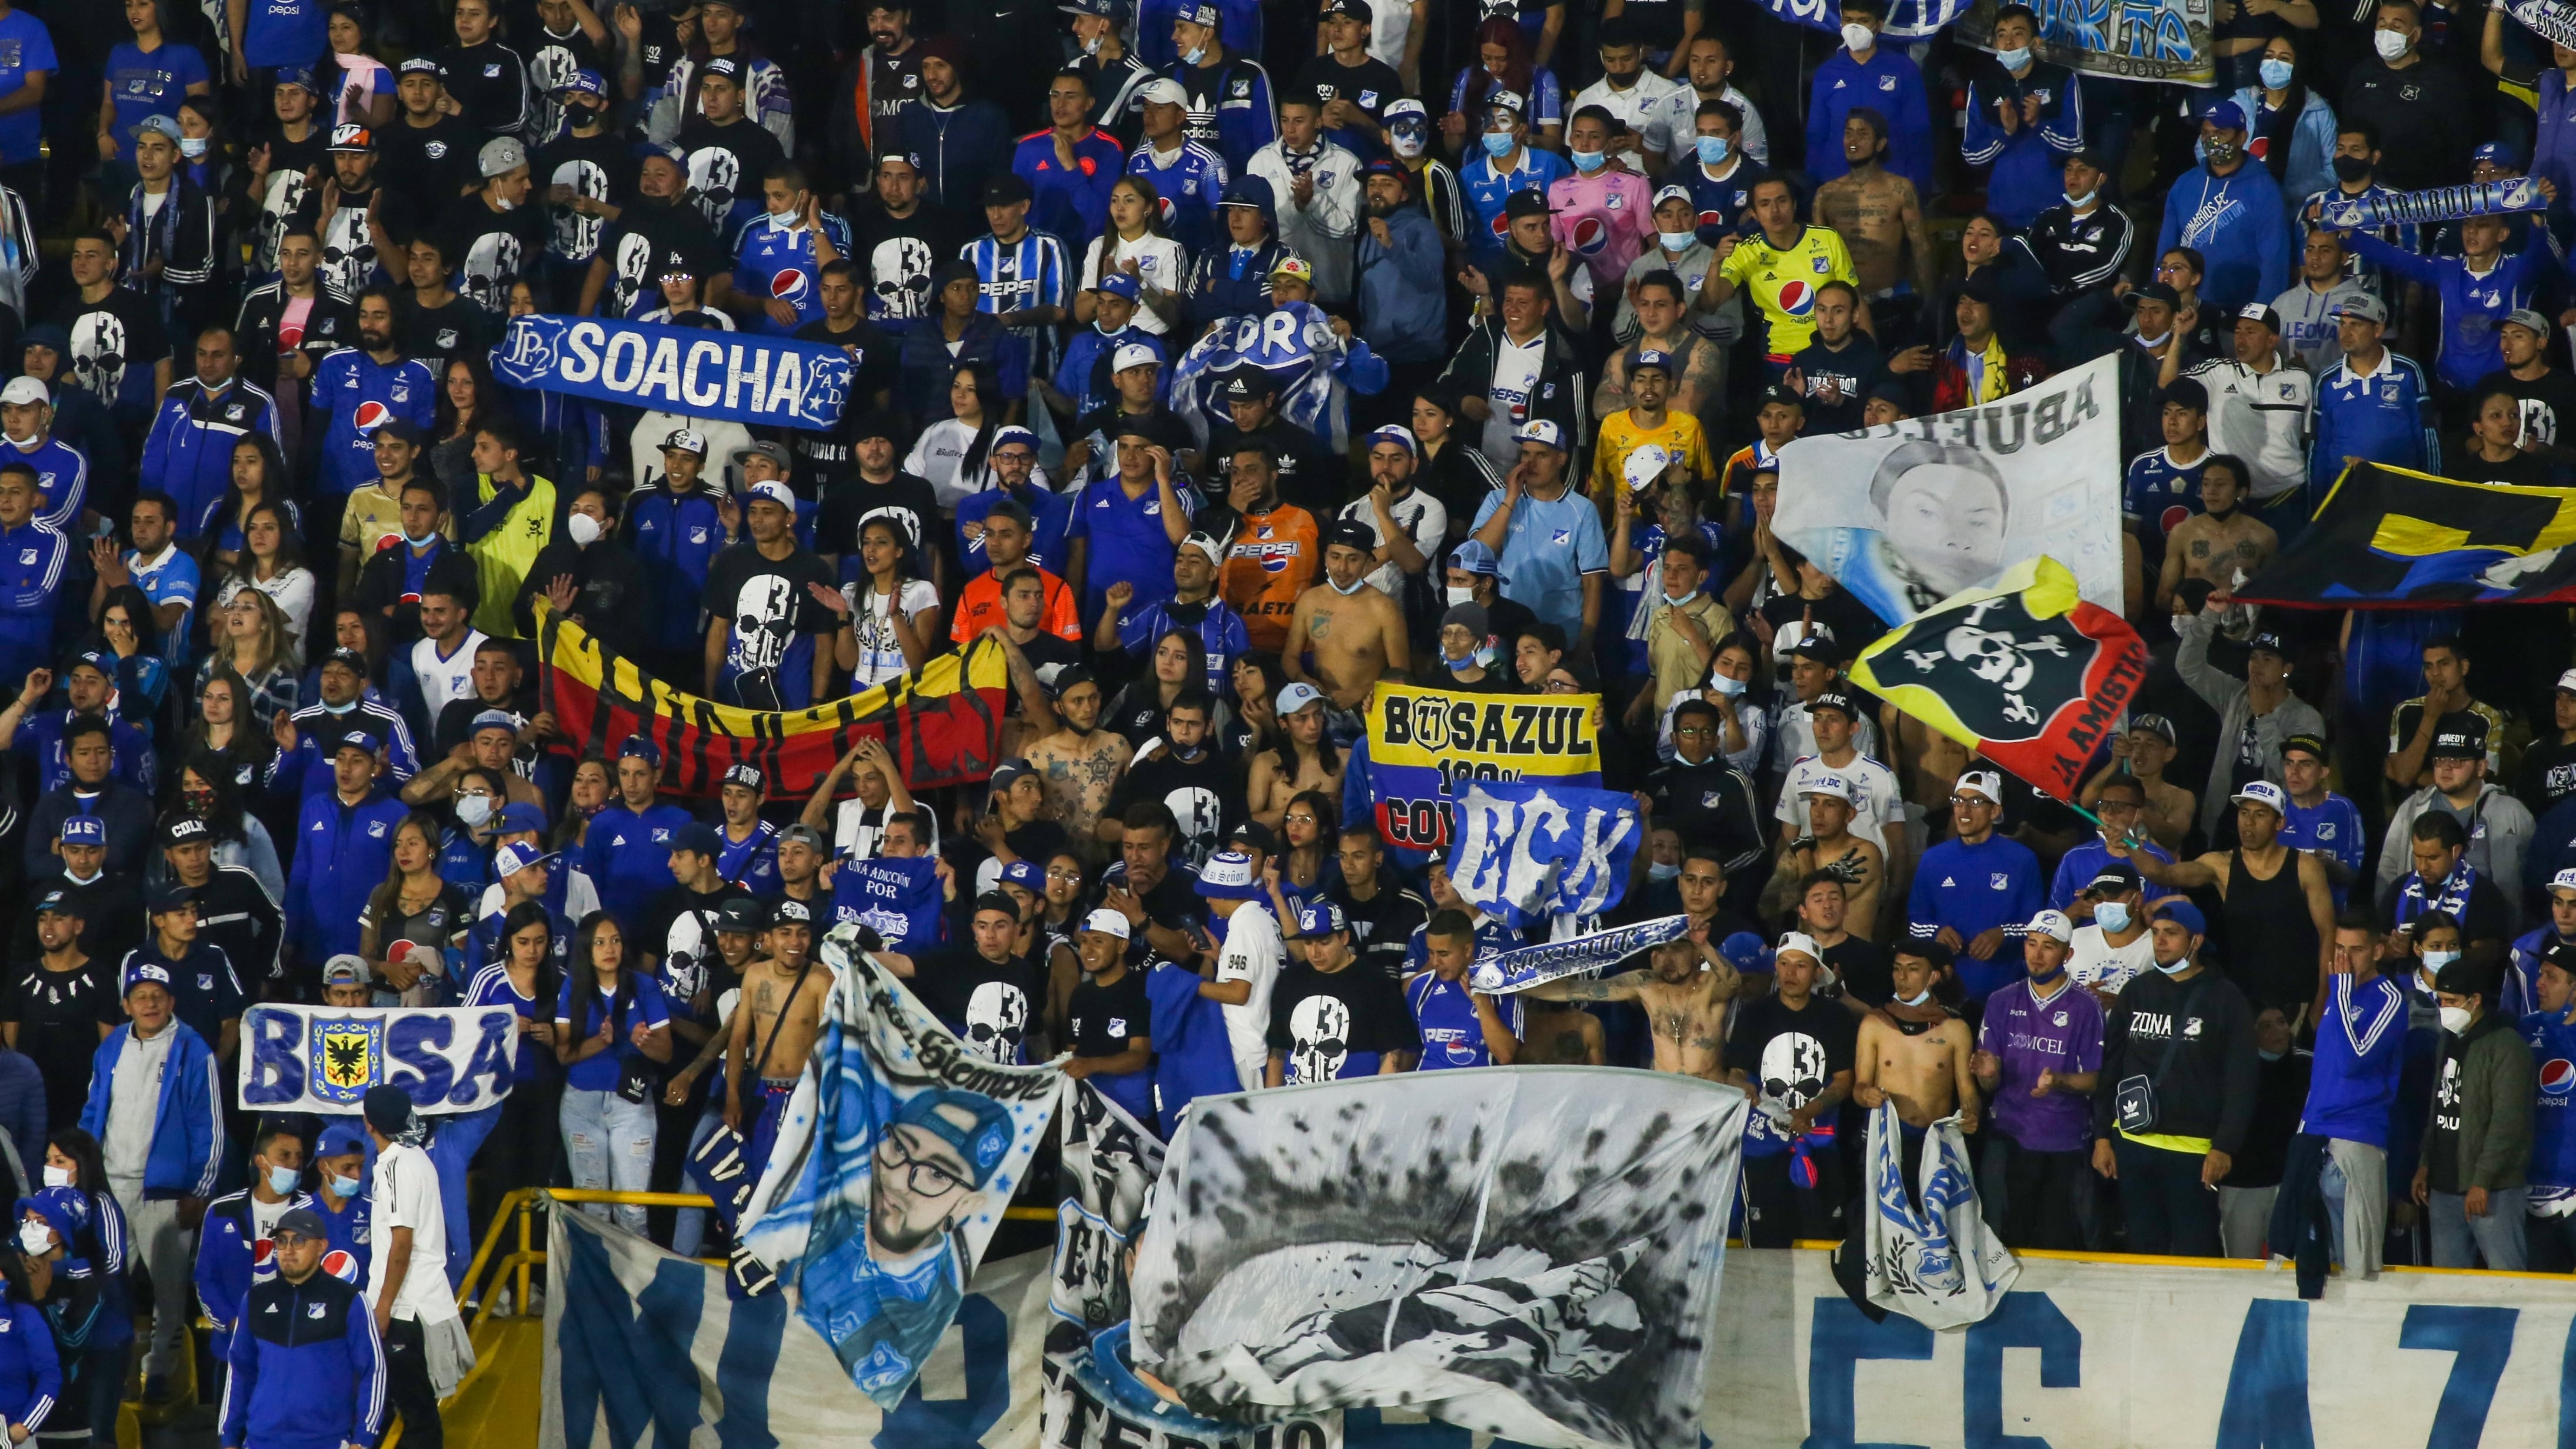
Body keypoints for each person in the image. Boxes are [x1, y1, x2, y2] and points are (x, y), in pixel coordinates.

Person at [79, 961, 220, 1400]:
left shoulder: (193, 1050)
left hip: (166, 1192)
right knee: (104, 1284)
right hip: (112, 1188)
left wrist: (199, 1189)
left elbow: (209, 1126)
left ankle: (159, 1373)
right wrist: (82, 1174)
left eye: (158, 995)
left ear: (172, 1001)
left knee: (169, 1290)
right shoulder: (111, 1048)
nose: (150, 1003)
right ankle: (107, 1371)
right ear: (126, 1005)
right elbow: (92, 1112)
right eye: (140, 996)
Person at [2091, 901, 2258, 1257]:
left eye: (2172, 933)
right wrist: (2103, 1135)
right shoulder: (2137, 992)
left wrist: (2225, 1145)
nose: (2160, 941)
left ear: (2196, 941)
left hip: (2194, 1152)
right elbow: (2112, 1067)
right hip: (2134, 1143)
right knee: (2141, 1247)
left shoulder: (2225, 999)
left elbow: (2241, 1079)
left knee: (2193, 1252)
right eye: (2156, 933)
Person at [2117, 780, 2337, 1016]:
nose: (2249, 823)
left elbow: (2328, 933)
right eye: (2244, 813)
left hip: (2297, 999)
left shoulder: (2306, 867)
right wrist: (2129, 842)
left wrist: (2323, 997)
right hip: (2240, 999)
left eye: (2260, 814)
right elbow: (2163, 874)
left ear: (2280, 823)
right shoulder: (2220, 864)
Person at [1971, 912, 2103, 1250]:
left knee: (2056, 1245)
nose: (2037, 954)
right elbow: (1989, 1083)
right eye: (2031, 944)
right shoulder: (2001, 1001)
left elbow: (2098, 1079)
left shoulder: (2087, 1007)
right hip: (2009, 1137)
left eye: (2048, 946)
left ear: (2067, 955)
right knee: (2002, 1242)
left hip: (2064, 1142)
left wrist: (2059, 1081)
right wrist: (1988, 1075)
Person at [217, 1204, 384, 1449]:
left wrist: (364, 1439)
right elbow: (240, 1371)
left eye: (299, 1241)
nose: (288, 1251)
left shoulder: (349, 1300)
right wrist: (229, 1437)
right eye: (282, 1242)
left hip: (325, 1442)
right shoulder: (255, 1300)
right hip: (260, 1442)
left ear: (321, 1247)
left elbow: (374, 1370)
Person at [1730, 932, 1853, 1245]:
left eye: (1800, 965)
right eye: (1784, 964)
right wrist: (1743, 1087)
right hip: (1764, 1145)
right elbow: (1736, 1072)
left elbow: (1844, 1080)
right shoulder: (1754, 1016)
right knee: (1763, 1240)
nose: (1790, 973)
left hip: (1819, 1143)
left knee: (1823, 1237)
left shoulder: (1836, 1018)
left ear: (1816, 972)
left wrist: (1812, 1109)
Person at [2415, 956, 2535, 1268]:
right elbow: (2439, 1103)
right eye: (2441, 1000)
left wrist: (2482, 1180)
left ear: (2476, 1000)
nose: (2444, 1008)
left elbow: (2508, 1122)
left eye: (2452, 1001)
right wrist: (2426, 1162)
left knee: (2508, 1283)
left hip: (2494, 1190)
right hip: (2444, 1185)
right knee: (2448, 1291)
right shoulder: (2448, 1039)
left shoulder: (2507, 1046)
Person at [1906, 771, 2044, 1003]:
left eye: (1976, 802)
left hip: (2005, 991)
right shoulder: (1933, 860)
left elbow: (2037, 925)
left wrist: (2002, 934)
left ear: (1995, 811)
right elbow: (1915, 922)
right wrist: (1936, 932)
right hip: (1945, 993)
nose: (1963, 809)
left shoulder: (2022, 859)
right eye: (1958, 800)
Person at [1523, 929, 1738, 1079]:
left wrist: (1703, 944)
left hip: (1711, 1097)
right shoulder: (1646, 984)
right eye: (1661, 950)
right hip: (1667, 1095)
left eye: (1677, 949)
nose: (1668, 958)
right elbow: (1574, 990)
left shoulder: (1709, 986)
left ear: (1696, 955)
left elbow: (1733, 983)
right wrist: (1513, 985)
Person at [1264, 902, 1417, 1083]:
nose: (1315, 952)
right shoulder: (1290, 981)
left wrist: (1376, 1102)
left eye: (1324, 943)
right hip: (1298, 1103)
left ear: (1344, 938)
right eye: (1308, 943)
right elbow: (1277, 1053)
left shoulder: (1375, 982)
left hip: (1359, 1101)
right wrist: (1272, 1107)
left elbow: (1393, 1056)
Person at [1803, 0, 1930, 195]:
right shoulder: (1826, 73)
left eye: (1863, 21)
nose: (1854, 27)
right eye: (1849, 19)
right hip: (1837, 185)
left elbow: (1917, 131)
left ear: (1878, 25)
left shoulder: (1904, 70)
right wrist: (1815, 186)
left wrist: (1916, 186)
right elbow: (1816, 134)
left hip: (1891, 187)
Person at [1062, 909, 1156, 1121]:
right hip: (1086, 1108)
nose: (1088, 950)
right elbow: (1073, 1050)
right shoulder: (1080, 994)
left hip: (1130, 1114)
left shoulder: (1140, 990)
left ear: (1122, 946)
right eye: (1084, 941)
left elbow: (1139, 1056)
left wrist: (1091, 1065)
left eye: (1098, 941)